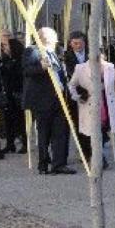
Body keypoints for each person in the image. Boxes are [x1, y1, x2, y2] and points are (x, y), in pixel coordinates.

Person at [23, 27, 75, 175]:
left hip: (59, 99)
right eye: (53, 38)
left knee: (60, 132)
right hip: (42, 100)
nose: (55, 40)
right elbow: (26, 70)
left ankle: (59, 164)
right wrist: (41, 66)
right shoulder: (32, 50)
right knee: (44, 133)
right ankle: (43, 163)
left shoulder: (54, 52)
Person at [68, 53, 115, 169]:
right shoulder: (80, 68)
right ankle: (97, 157)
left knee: (102, 130)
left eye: (101, 58)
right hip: (88, 104)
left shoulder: (109, 67)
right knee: (91, 131)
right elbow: (71, 85)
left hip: (105, 104)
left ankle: (97, 155)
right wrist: (78, 96)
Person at [63, 30, 92, 161]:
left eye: (80, 43)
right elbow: (70, 76)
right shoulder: (66, 57)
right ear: (70, 44)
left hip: (92, 94)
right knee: (79, 125)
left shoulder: (92, 54)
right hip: (76, 94)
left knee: (93, 124)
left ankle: (94, 150)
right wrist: (81, 91)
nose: (78, 46)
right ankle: (84, 152)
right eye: (75, 43)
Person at [0, 31, 26, 153]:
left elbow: (18, 77)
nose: (5, 48)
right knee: (7, 119)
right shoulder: (5, 59)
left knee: (20, 120)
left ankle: (24, 143)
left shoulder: (20, 61)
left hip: (17, 93)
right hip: (8, 94)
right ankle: (10, 144)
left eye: (7, 46)